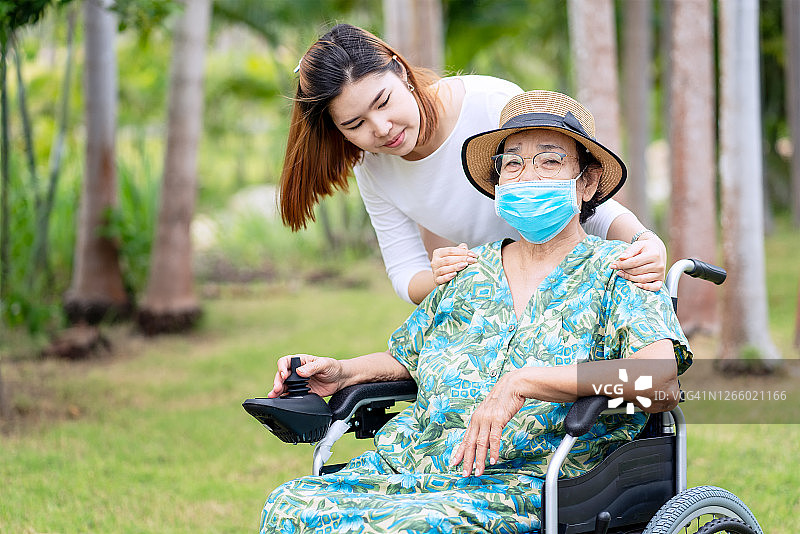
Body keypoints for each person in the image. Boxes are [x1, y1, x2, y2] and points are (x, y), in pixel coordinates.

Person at [259, 90, 691, 533]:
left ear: (587, 182)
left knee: (415, 527)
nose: (528, 177)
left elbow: (658, 380)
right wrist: (343, 372)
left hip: (523, 480)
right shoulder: (468, 269)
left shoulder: (620, 270)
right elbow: (410, 358)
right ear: (498, 182)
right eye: (513, 164)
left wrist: (526, 382)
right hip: (409, 465)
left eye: (549, 162)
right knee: (287, 505)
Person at [279, 23, 666, 305]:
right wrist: (439, 275)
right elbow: (404, 271)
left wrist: (644, 241)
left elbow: (578, 193)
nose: (381, 129)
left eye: (383, 102)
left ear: (400, 71)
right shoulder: (374, 169)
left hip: (580, 279)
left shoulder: (489, 104)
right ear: (337, 130)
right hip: (503, 298)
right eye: (354, 124)